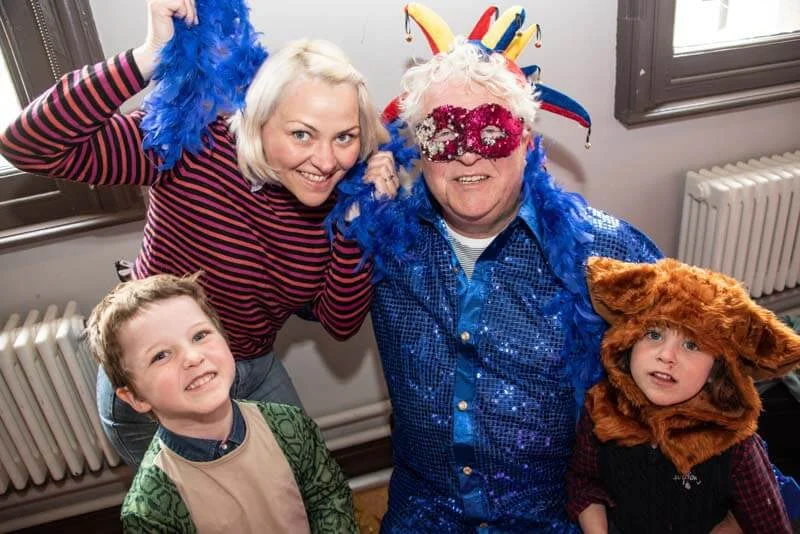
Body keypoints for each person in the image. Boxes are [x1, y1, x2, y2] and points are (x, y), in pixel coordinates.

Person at [0, 0, 396, 466]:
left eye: (344, 137)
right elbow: (29, 145)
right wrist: (148, 57)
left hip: (250, 368)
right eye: (302, 134)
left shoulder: (343, 199)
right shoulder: (190, 146)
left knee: (301, 482)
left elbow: (340, 322)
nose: (327, 160)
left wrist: (355, 230)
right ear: (259, 119)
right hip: (157, 376)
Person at [330, 5, 661, 531]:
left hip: (556, 519)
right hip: (426, 514)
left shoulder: (605, 254)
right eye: (443, 135)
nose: (466, 157)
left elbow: (700, 369)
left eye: (490, 132)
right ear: (419, 150)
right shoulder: (380, 240)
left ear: (528, 141)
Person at [86, 273, 358, 533]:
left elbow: (328, 497)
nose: (192, 357)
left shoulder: (290, 426)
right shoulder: (150, 507)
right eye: (161, 355)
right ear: (136, 398)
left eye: (200, 336)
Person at [566, 257, 800, 534]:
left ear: (718, 367)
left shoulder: (734, 444)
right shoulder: (603, 410)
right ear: (628, 341)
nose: (666, 355)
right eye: (653, 334)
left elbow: (770, 524)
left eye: (691, 344)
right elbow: (583, 482)